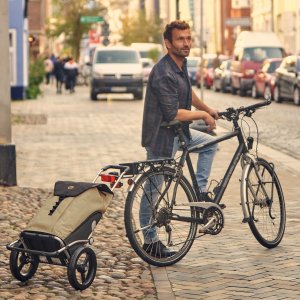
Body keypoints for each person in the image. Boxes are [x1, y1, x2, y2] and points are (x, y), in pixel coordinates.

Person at [141, 20, 219, 257]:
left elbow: (188, 92)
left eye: (188, 38)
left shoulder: (180, 65)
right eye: (180, 39)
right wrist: (203, 115)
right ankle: (149, 240)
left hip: (179, 132)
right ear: (168, 43)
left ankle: (201, 193)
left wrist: (208, 108)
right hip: (162, 136)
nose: (186, 43)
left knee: (210, 144)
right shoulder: (163, 72)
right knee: (154, 189)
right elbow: (173, 112)